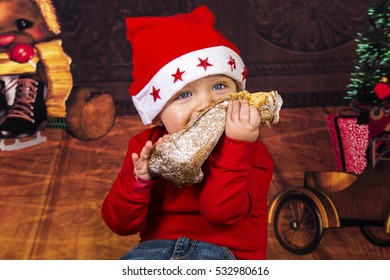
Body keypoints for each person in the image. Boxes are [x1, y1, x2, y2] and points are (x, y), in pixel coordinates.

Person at [101, 5, 274, 260]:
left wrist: (237, 146)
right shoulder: (145, 147)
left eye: (219, 86)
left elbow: (221, 214)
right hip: (154, 252)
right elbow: (120, 224)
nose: (206, 104)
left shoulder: (250, 148)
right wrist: (140, 181)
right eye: (184, 94)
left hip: (226, 255)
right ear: (158, 113)